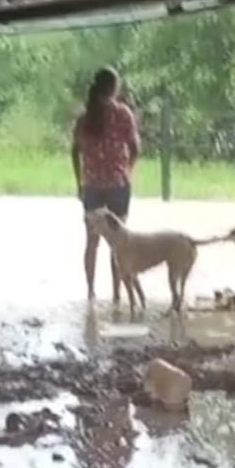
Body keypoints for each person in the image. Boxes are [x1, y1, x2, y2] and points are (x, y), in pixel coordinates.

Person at [72, 67, 140, 302]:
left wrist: (79, 181)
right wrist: (126, 172)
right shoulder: (123, 114)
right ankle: (117, 293)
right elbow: (135, 148)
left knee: (91, 242)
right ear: (114, 87)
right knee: (118, 243)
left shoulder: (85, 117)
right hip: (118, 185)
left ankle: (90, 292)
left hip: (91, 184)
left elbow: (75, 150)